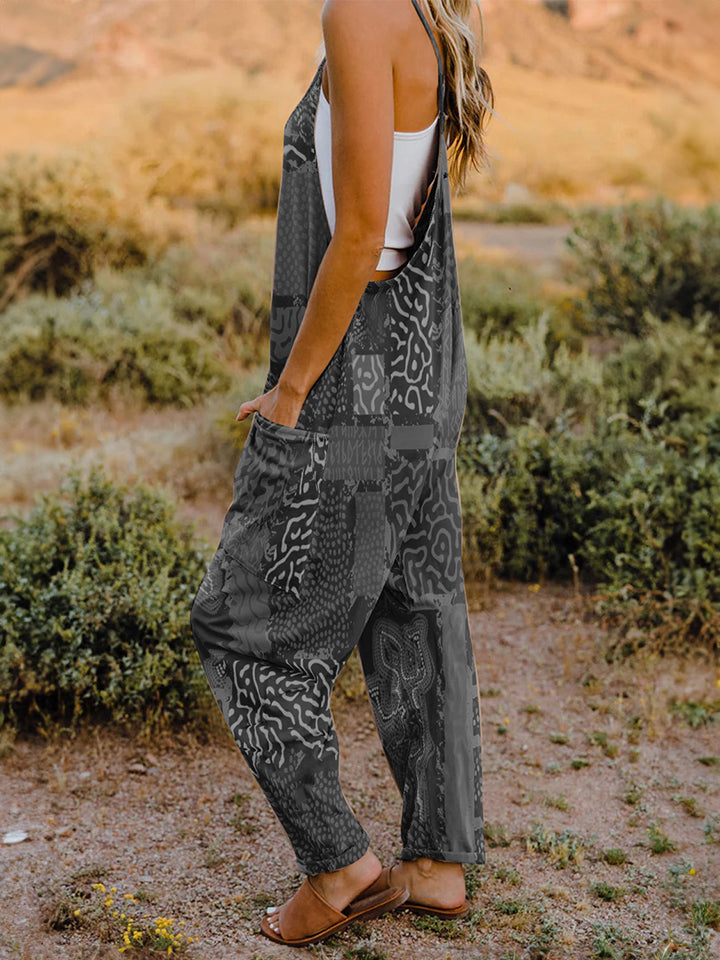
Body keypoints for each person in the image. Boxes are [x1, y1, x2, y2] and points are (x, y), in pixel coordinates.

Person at [190, 0, 495, 948]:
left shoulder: (359, 10)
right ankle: (438, 866)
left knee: (241, 629)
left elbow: (362, 230)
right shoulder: (421, 10)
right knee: (416, 604)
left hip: (359, 383)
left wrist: (289, 391)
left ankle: (338, 867)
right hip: (417, 368)